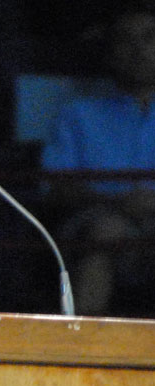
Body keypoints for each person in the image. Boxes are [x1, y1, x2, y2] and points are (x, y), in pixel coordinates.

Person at [42, 8, 155, 316]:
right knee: (104, 233)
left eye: (148, 38)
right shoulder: (78, 114)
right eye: (126, 39)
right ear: (110, 51)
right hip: (99, 224)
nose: (138, 50)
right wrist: (119, 203)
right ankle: (83, 350)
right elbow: (55, 189)